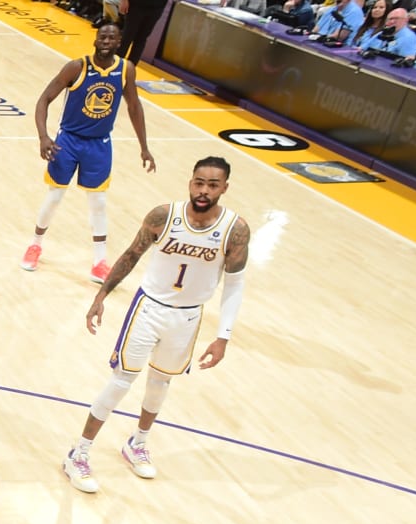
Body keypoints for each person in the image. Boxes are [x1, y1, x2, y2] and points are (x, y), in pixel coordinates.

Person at [63, 156, 251, 493]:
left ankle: (137, 443)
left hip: (190, 316)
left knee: (160, 383)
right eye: (199, 182)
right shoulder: (164, 216)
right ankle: (79, 452)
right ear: (190, 182)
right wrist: (101, 296)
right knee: (122, 381)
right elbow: (131, 254)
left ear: (224, 187)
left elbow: (234, 285)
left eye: (212, 184)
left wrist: (223, 336)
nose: (204, 190)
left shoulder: (235, 230)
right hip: (149, 308)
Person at [22, 21, 155, 284]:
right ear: (95, 40)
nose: (106, 41)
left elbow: (134, 108)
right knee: (56, 195)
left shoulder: (125, 69)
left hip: (99, 143)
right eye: (102, 37)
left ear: (119, 43)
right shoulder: (76, 67)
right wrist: (43, 136)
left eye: (112, 38)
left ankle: (99, 262)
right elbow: (44, 99)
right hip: (68, 141)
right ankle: (35, 245)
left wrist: (144, 147)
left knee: (99, 202)